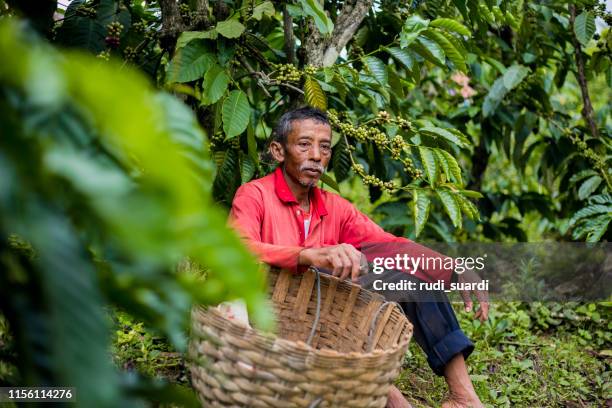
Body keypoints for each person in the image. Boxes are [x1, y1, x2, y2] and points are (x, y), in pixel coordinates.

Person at [229, 107, 488, 408]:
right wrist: (307, 255)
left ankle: (463, 397)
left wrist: (453, 269)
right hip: (272, 321)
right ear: (278, 150)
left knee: (414, 283)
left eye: (324, 147)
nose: (315, 155)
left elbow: (389, 246)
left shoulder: (333, 206)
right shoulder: (254, 195)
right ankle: (386, 395)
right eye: (304, 144)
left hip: (332, 322)